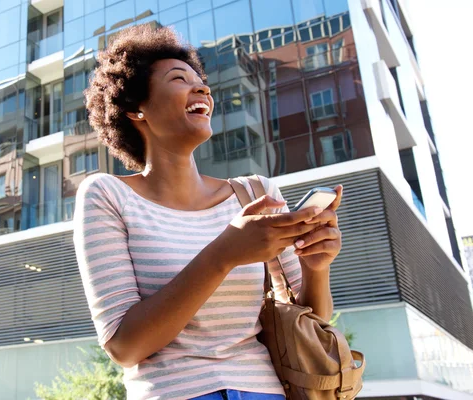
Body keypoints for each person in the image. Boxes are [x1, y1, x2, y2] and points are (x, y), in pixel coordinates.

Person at [73, 25, 343, 400]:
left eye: (202, 82)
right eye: (179, 79)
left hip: (266, 391)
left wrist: (317, 266)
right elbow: (125, 347)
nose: (203, 89)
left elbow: (314, 320)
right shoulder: (107, 195)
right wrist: (225, 254)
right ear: (136, 109)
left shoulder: (256, 193)